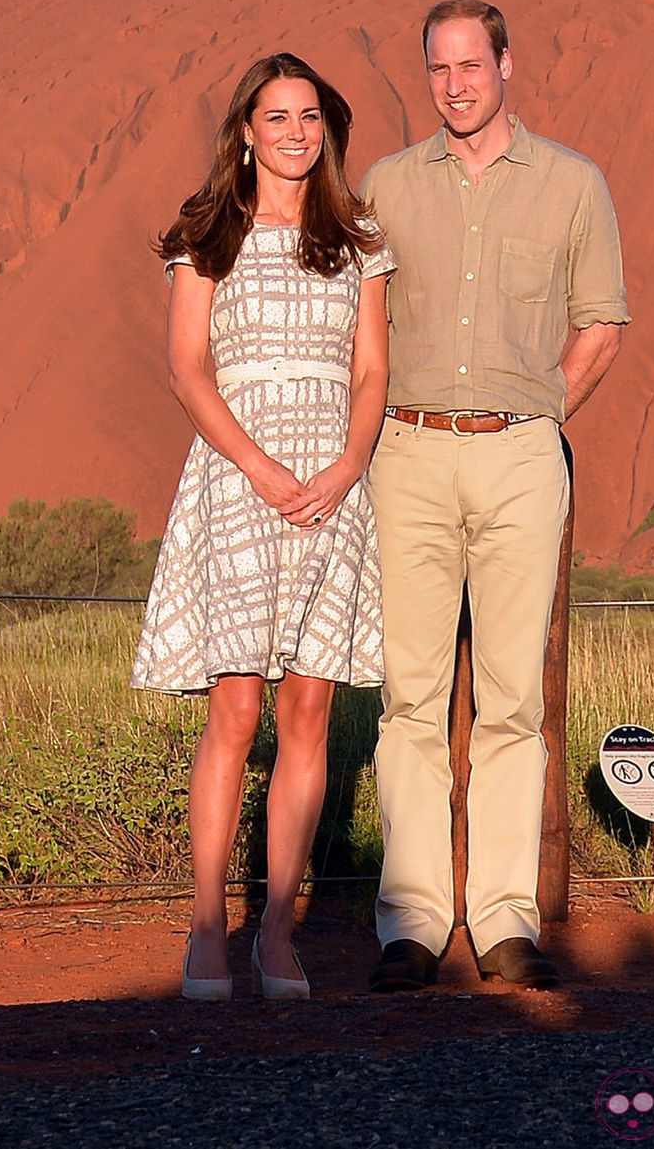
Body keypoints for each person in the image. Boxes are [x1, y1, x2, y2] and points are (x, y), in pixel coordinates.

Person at [363, 0, 629, 992]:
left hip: (520, 450)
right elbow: (361, 327)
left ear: (506, 65)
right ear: (424, 73)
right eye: (438, 69)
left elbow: (600, 322)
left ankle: (505, 916)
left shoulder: (571, 185)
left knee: (513, 698)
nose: (455, 85)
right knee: (410, 697)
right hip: (410, 450)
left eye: (471, 65)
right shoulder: (386, 187)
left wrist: (537, 414)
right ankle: (414, 920)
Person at [132, 52, 394, 1001]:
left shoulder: (359, 237)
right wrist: (260, 465)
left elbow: (371, 371)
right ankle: (209, 929)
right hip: (239, 477)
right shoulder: (207, 233)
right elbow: (187, 366)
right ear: (244, 130)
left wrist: (346, 465)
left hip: (333, 482)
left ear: (327, 127)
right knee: (236, 710)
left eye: (310, 116)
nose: (295, 132)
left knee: (311, 710)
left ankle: (275, 935)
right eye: (276, 116)